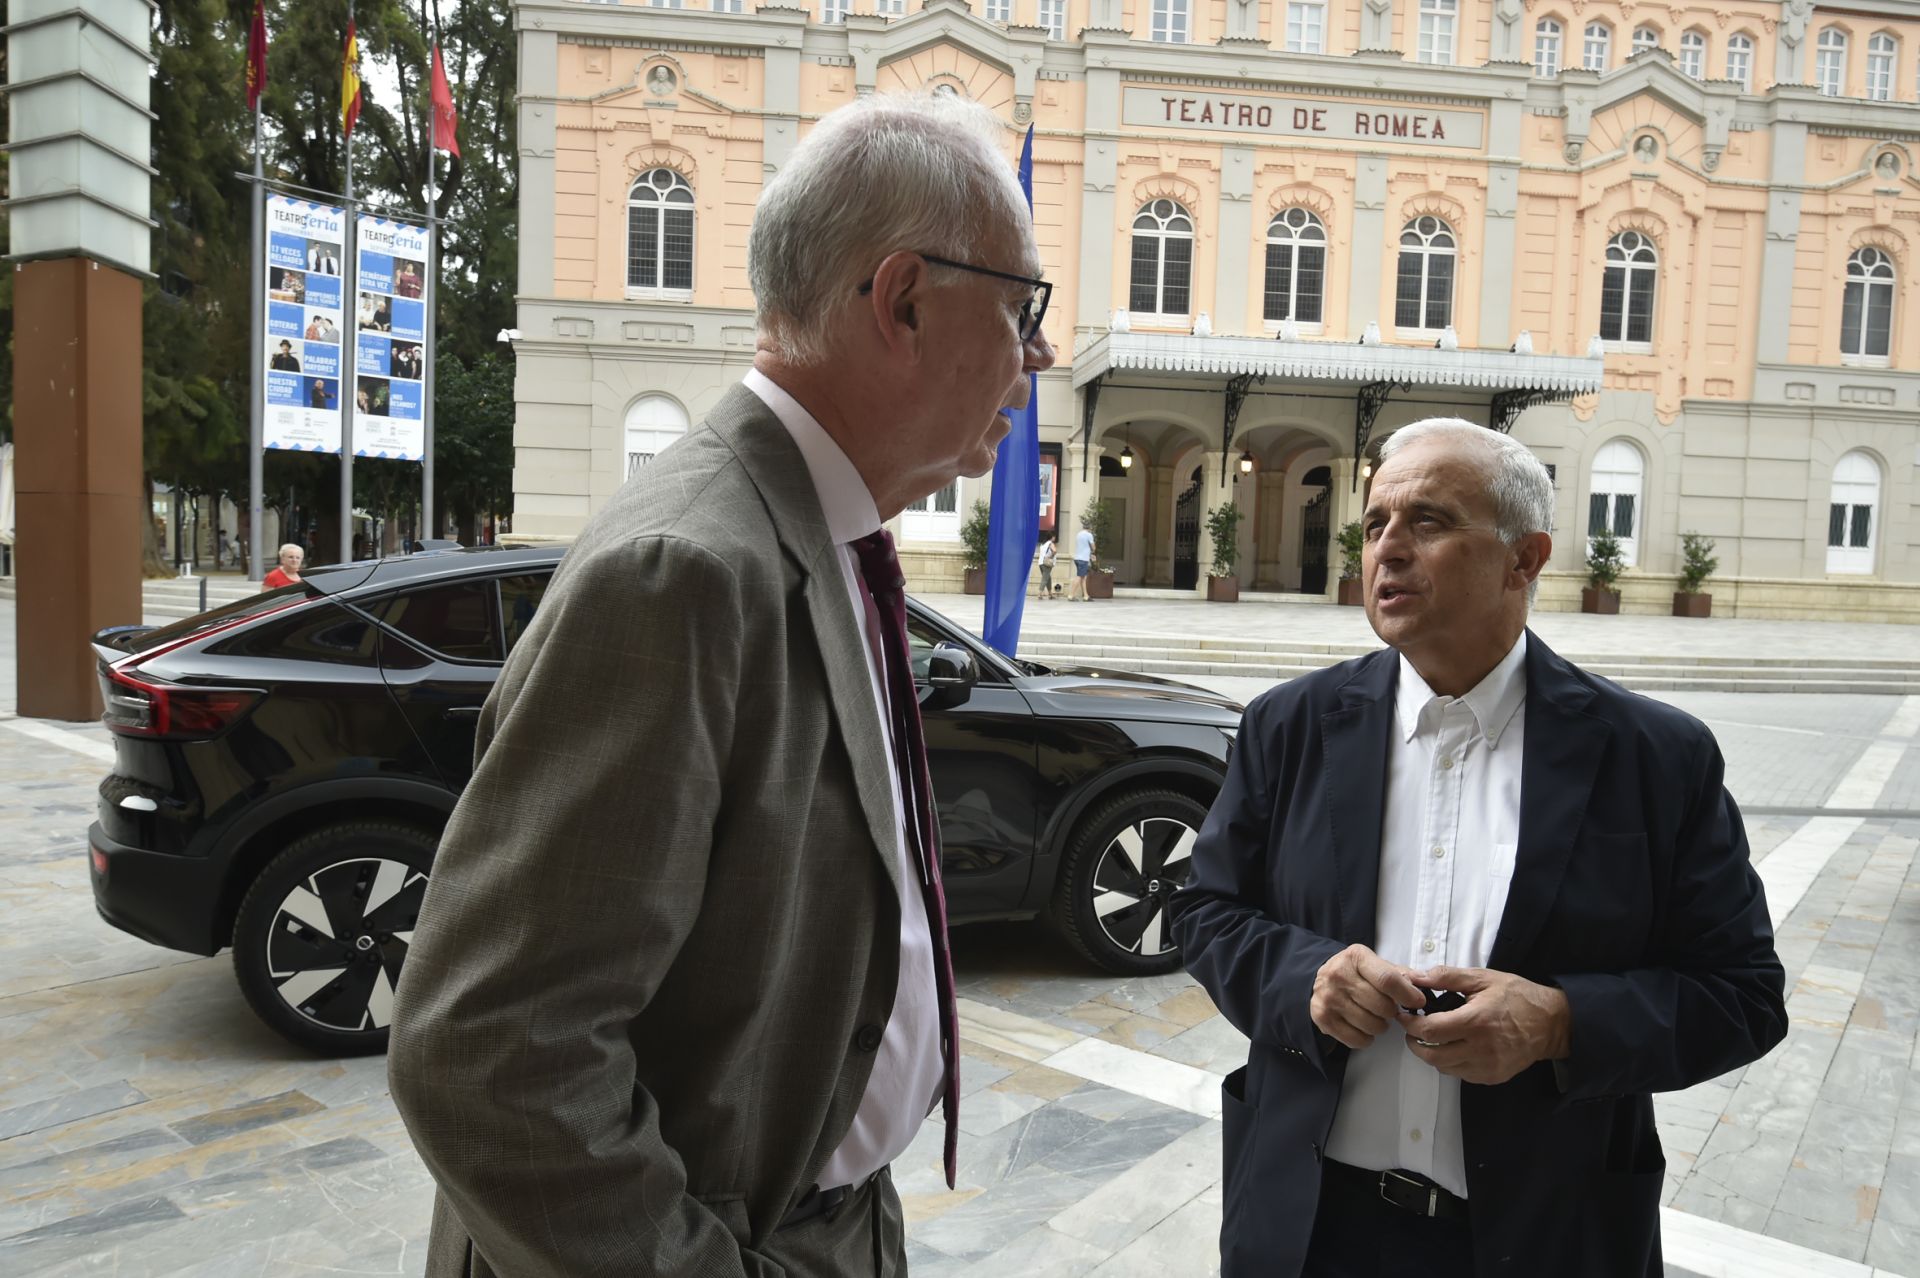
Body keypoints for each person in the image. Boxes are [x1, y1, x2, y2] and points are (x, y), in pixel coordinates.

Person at [388, 92, 1056, 1278]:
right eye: (1019, 309)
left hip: (820, 1220)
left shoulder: (813, 533)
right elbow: (491, 1053)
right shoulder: (685, 570)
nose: (1036, 356)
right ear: (903, 300)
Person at [1169, 418, 1787, 1278]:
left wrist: (1563, 1023)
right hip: (1310, 1225)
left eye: (1427, 521)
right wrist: (1303, 978)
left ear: (1524, 559)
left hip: (1543, 1234)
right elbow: (1205, 914)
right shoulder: (1291, 724)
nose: (1385, 549)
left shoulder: (1653, 754)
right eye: (1377, 520)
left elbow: (1745, 995)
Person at [1068, 521, 1095, 600]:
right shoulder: (1089, 535)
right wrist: (1092, 550)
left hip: (1077, 558)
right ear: (1090, 527)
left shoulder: (1079, 534)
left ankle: (1086, 596)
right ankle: (1071, 595)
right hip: (1083, 559)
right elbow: (1093, 548)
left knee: (1083, 577)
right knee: (1079, 576)